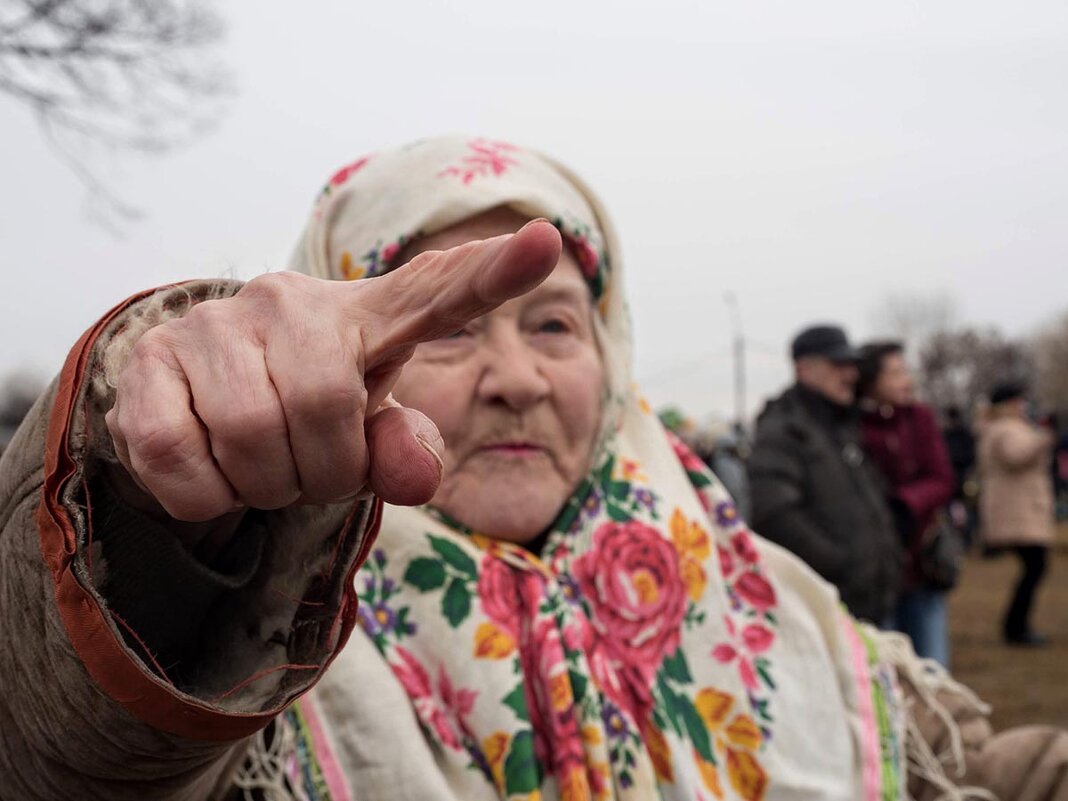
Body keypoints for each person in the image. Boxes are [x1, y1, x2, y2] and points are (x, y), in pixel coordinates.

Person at [2, 136, 1066, 801]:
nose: (517, 378)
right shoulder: (242, 640)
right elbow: (61, 757)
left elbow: (950, 771)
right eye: (449, 329)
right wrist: (141, 512)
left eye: (556, 323)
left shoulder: (767, 599)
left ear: (613, 359)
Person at [747, 324, 900, 625]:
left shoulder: (841, 426)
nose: (850, 375)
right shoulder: (783, 430)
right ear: (804, 369)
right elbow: (773, 513)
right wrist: (840, 564)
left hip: (869, 599)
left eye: (851, 366)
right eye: (838, 365)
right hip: (827, 606)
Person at [856, 341, 956, 666]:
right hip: (874, 570)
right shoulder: (851, 425)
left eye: (906, 371)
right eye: (896, 372)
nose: (907, 380)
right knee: (885, 672)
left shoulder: (920, 418)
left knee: (933, 668)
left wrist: (907, 504)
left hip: (922, 563)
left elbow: (941, 477)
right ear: (871, 379)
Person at [977, 382, 1057, 647]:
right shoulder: (1006, 429)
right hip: (1017, 510)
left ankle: (1017, 625)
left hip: (1019, 508)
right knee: (1035, 566)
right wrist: (1046, 437)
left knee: (1034, 567)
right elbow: (1017, 455)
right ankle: (1016, 627)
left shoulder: (1002, 427)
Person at [942, 406, 978, 542]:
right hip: (953, 479)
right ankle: (960, 537)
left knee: (968, 507)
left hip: (963, 477)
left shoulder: (963, 434)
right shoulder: (946, 435)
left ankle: (967, 536)